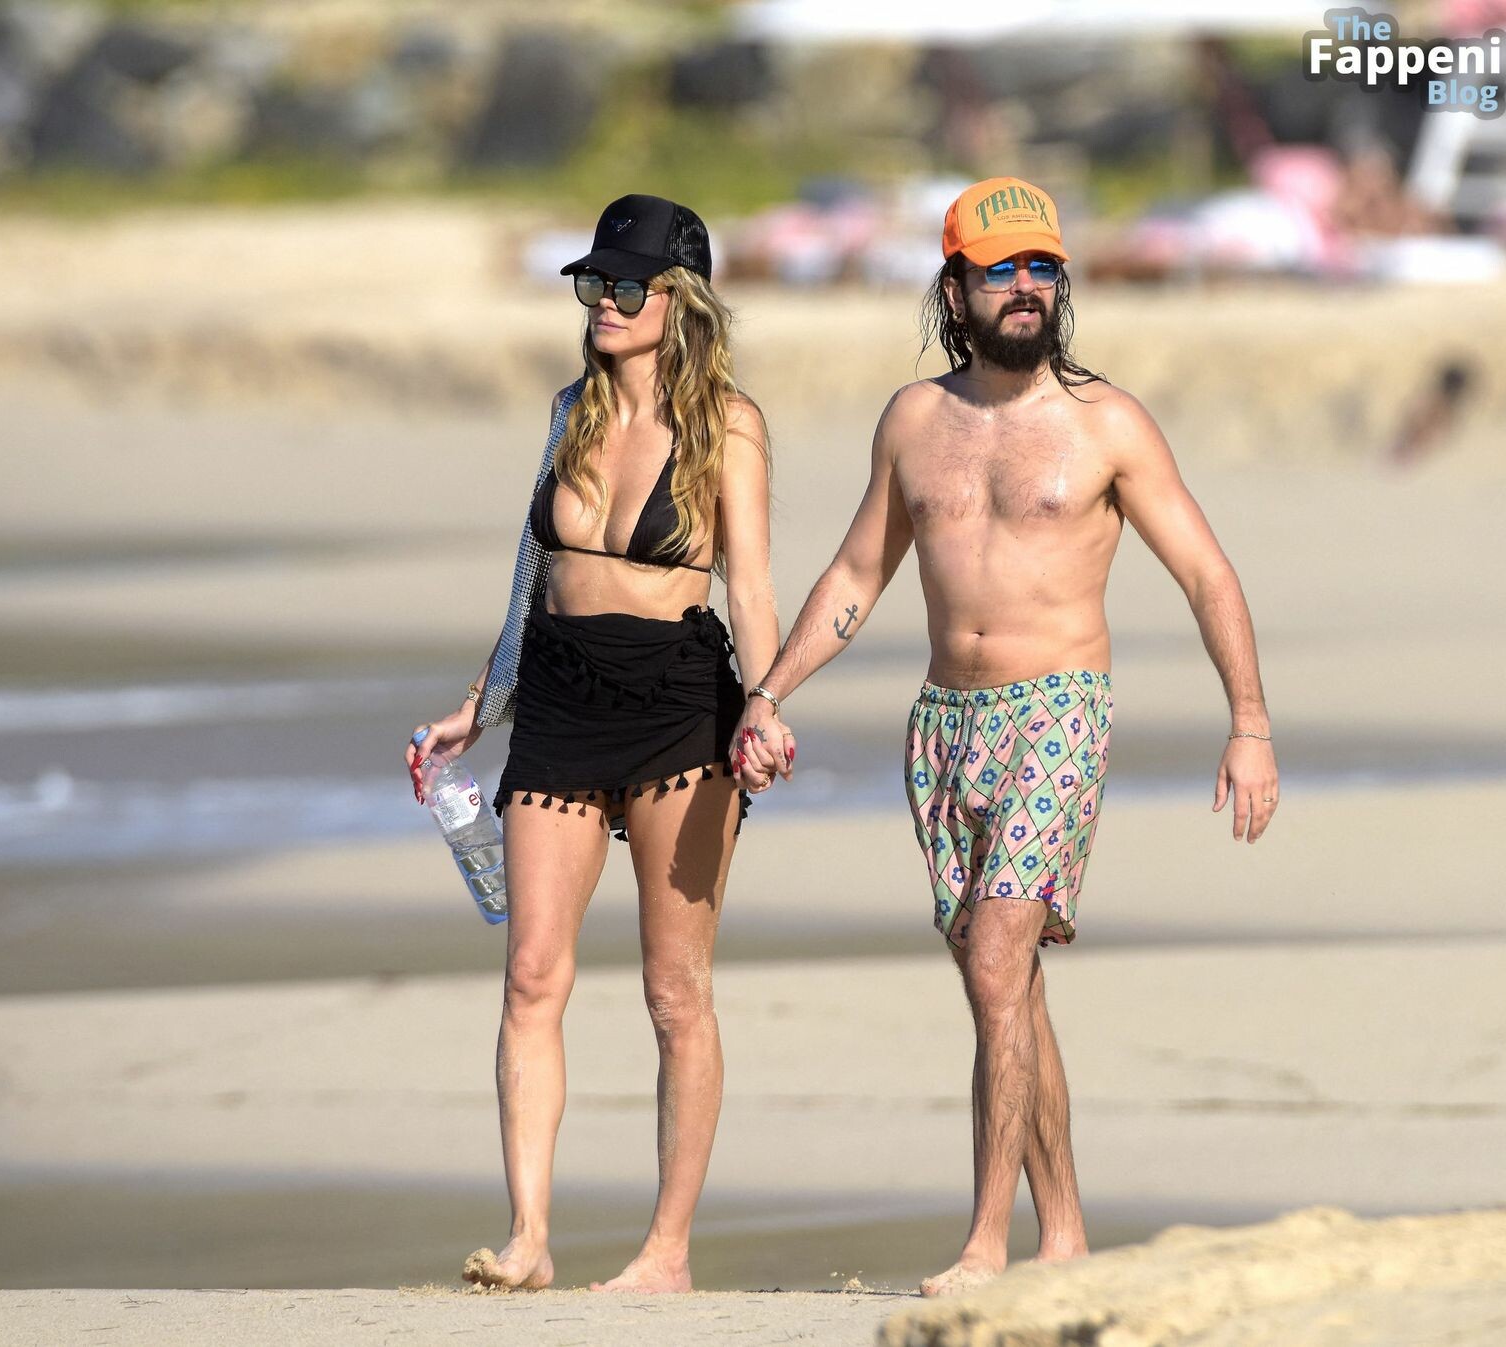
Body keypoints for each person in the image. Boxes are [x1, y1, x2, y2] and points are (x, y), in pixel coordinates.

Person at [732, 177, 1278, 1297]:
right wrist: (769, 693)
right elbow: (857, 573)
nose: (1026, 287)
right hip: (945, 723)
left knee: (994, 961)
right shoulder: (913, 422)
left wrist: (1250, 724)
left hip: (1057, 711)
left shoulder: (1107, 424)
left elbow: (1207, 572)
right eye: (1001, 270)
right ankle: (1065, 1235)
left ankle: (986, 1244)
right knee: (1008, 987)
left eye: (1042, 268)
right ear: (956, 290)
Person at [404, 193, 779, 1294]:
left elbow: (753, 589)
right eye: (592, 283)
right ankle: (528, 1237)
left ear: (679, 299)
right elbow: (534, 576)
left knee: (675, 993)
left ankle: (667, 1251)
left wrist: (766, 704)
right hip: (560, 701)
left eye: (625, 285)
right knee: (531, 974)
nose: (603, 302)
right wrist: (482, 703)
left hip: (679, 706)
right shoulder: (570, 409)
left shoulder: (729, 424)